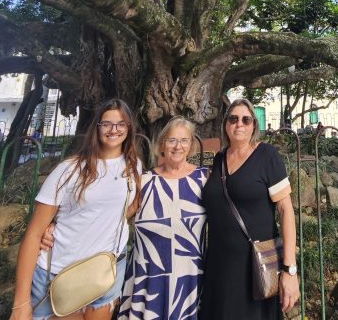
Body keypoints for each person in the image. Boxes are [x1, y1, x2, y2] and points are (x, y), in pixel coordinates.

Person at [10, 98, 142, 320]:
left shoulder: (133, 166)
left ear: (129, 128)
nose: (114, 130)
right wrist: (21, 302)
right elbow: (33, 235)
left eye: (121, 124)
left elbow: (126, 210)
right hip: (60, 273)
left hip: (107, 270)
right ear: (97, 127)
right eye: (106, 124)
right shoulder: (69, 170)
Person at [200, 98, 299, 319]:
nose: (239, 124)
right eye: (233, 119)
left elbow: (286, 210)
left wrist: (290, 270)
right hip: (219, 267)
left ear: (254, 124)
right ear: (226, 124)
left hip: (255, 268)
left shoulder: (267, 156)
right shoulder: (218, 161)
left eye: (246, 119)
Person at [119, 117, 208, 320]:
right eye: (172, 140)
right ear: (162, 144)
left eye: (184, 140)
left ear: (192, 145)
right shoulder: (145, 181)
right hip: (148, 280)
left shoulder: (203, 179)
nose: (178, 146)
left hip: (189, 279)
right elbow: (117, 219)